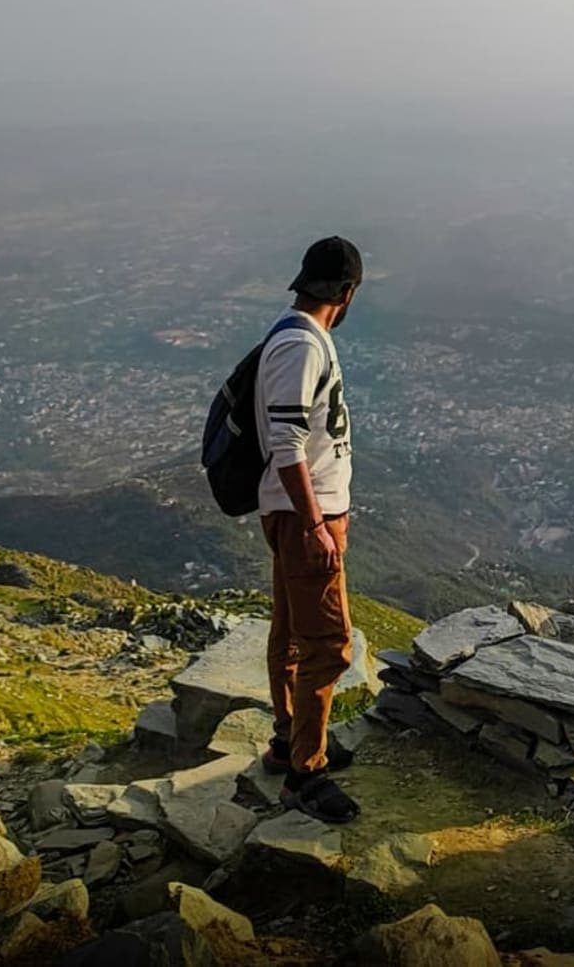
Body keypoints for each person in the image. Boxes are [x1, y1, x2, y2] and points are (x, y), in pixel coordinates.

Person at [255, 236, 363, 822]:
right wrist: (317, 524)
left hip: (299, 514)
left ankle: (290, 739)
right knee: (329, 645)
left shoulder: (293, 335)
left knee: (291, 633)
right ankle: (306, 773)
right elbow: (288, 442)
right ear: (347, 294)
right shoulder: (302, 345)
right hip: (305, 518)